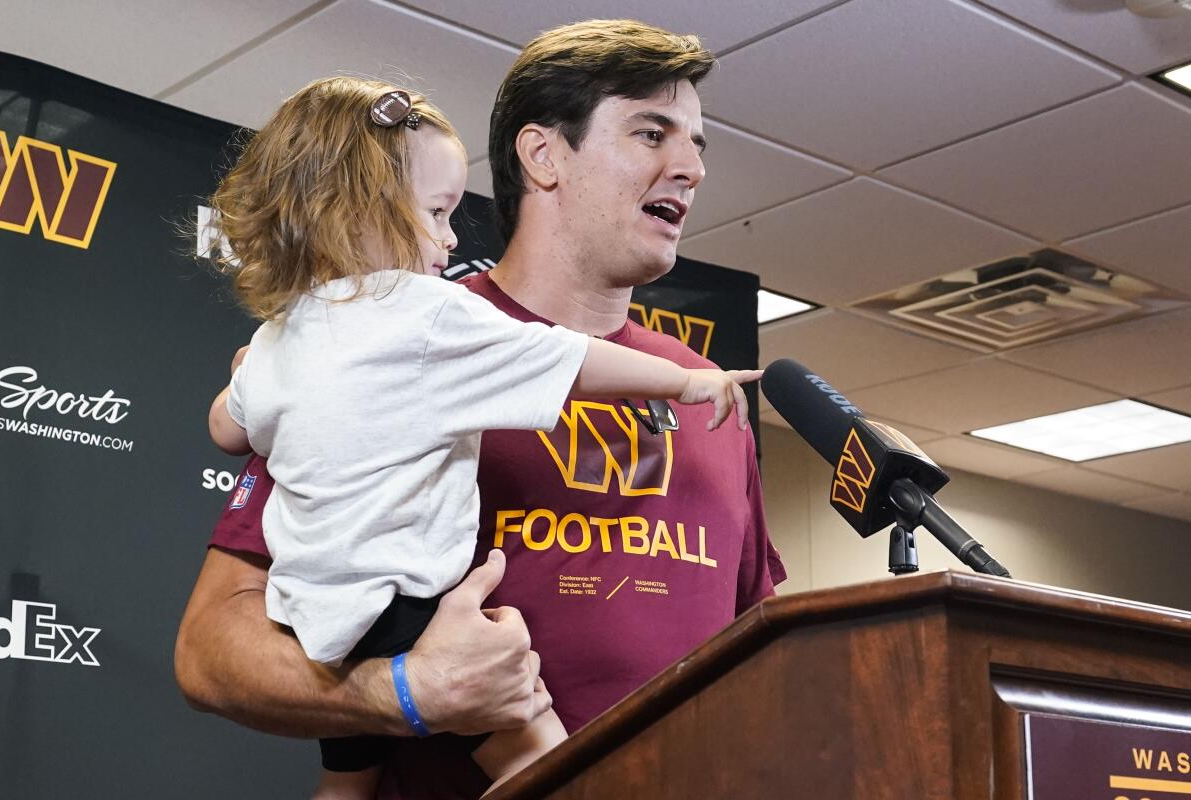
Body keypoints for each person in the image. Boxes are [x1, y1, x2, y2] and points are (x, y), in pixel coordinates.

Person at [175, 19, 786, 799]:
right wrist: (401, 695)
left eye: (699, 143)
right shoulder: (380, 341)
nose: (691, 167)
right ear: (542, 154)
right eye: (652, 132)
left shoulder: (707, 387)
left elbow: (762, 652)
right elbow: (209, 648)